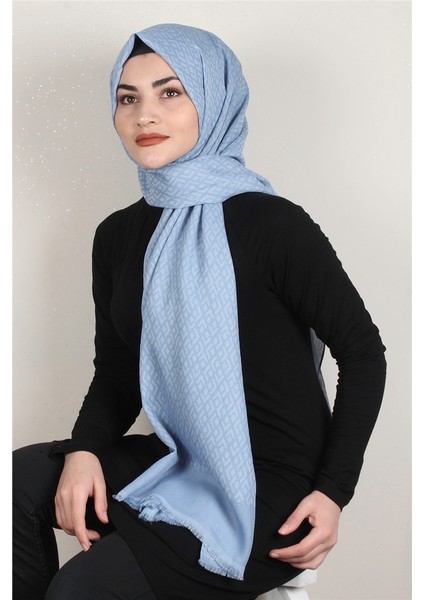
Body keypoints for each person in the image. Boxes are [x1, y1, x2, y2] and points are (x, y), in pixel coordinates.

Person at [13, 23, 387, 600]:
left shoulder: (273, 225)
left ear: (214, 100)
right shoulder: (117, 236)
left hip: (273, 484)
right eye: (127, 98)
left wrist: (334, 491)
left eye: (171, 92)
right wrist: (85, 450)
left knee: (79, 588)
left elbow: (363, 354)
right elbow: (119, 371)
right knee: (17, 482)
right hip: (181, 458)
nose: (145, 115)